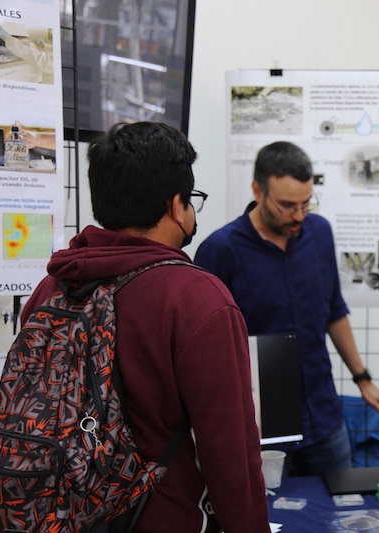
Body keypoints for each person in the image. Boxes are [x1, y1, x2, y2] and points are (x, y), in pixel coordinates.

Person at [21, 122, 269, 532]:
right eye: (191, 201)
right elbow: (230, 451)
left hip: (54, 513)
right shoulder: (196, 297)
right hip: (157, 516)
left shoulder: (54, 285)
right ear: (176, 206)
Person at [195, 141, 379, 476]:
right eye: (287, 205)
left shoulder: (319, 233)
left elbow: (334, 311)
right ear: (257, 190)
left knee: (334, 516)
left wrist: (362, 379)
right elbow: (205, 348)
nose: (298, 215)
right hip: (260, 421)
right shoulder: (221, 250)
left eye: (306, 204)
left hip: (323, 413)